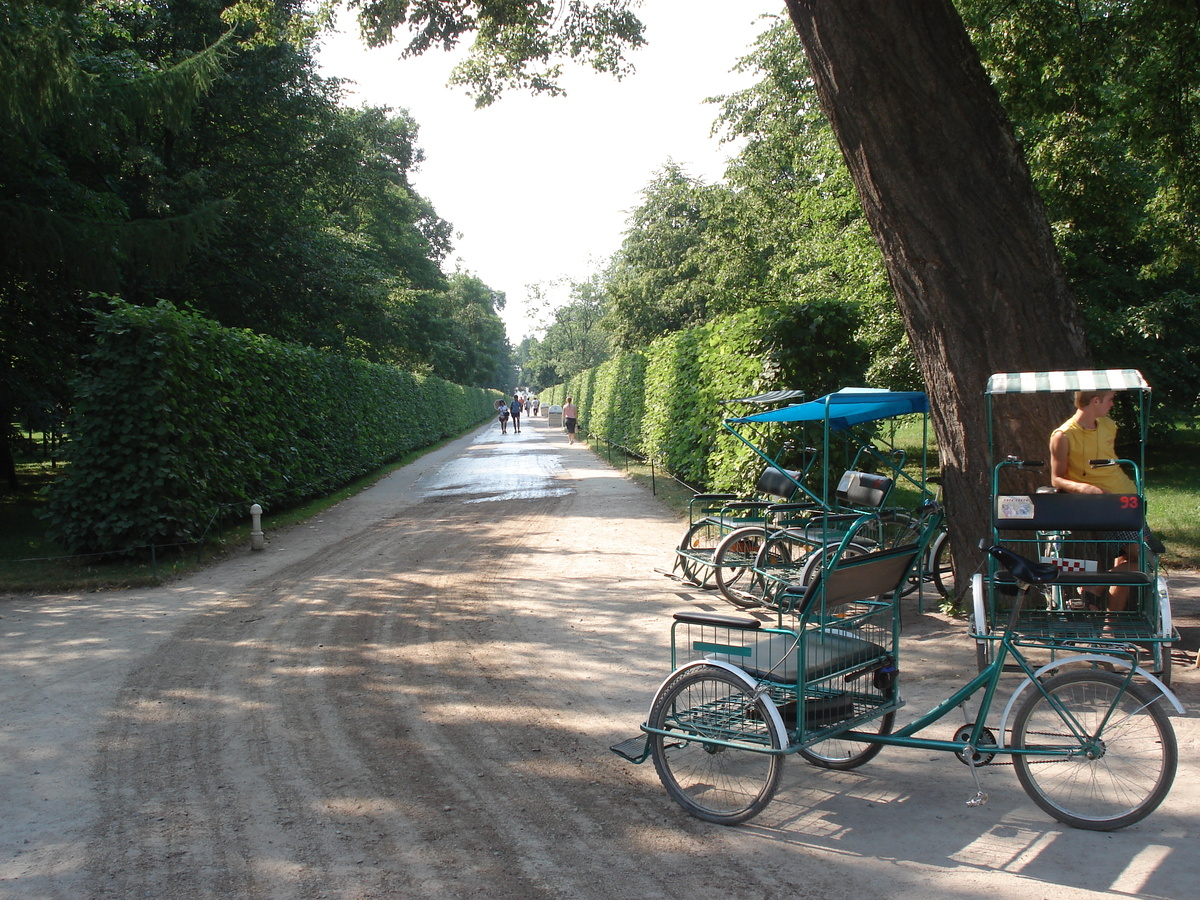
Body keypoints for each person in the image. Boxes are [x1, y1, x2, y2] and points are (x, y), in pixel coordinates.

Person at [1048, 389, 1140, 610]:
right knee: (1145, 558)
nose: (1113, 404)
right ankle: (1094, 585)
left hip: (1129, 501)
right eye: (1110, 399)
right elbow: (1056, 479)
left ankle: (1111, 625)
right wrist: (1084, 488)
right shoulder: (1063, 435)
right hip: (1105, 507)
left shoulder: (1108, 425)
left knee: (1126, 562)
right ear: (1095, 401)